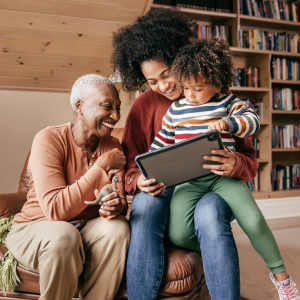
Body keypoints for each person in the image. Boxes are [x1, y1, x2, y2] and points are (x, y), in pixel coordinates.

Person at [112, 9, 257, 300]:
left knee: (210, 211)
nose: (163, 86)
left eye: (166, 74)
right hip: (165, 188)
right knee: (145, 207)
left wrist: (234, 164)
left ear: (179, 59)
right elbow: (130, 165)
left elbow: (249, 161)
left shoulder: (215, 93)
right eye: (152, 81)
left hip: (212, 186)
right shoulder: (144, 106)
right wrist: (139, 181)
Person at [150, 39, 300, 300]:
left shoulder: (230, 102)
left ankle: (283, 279)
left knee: (253, 220)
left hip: (224, 178)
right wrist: (150, 168)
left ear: (217, 83)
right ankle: (218, 251)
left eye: (197, 89)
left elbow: (252, 121)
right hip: (190, 180)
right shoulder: (175, 110)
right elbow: (160, 144)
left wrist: (229, 123)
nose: (190, 95)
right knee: (178, 231)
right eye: (186, 88)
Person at [5, 74, 130, 300]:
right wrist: (100, 167)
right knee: (64, 235)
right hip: (37, 226)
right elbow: (56, 210)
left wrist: (114, 207)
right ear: (79, 106)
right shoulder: (49, 139)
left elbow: (118, 201)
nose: (116, 116)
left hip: (84, 227)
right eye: (108, 107)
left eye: (118, 108)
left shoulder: (112, 145)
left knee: (117, 229)